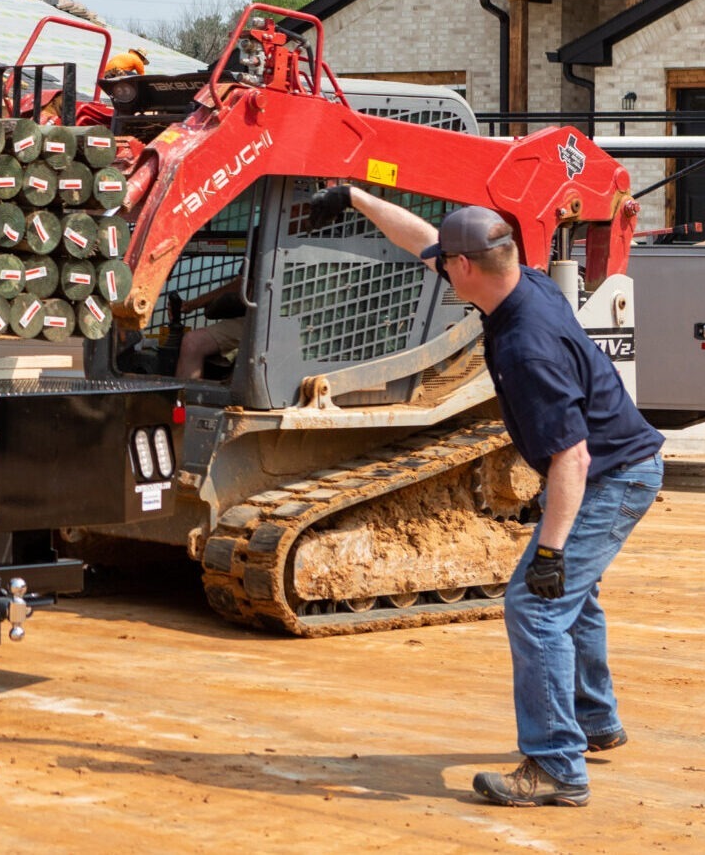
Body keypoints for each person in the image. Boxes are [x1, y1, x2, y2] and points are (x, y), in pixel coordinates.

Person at [310, 185, 665, 808]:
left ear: (466, 268)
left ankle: (556, 766)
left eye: (446, 262)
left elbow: (571, 457)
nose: (438, 266)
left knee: (536, 605)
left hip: (612, 475)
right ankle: (595, 721)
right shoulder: (521, 280)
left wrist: (550, 552)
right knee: (573, 603)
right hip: (620, 466)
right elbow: (417, 238)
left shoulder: (528, 344)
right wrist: (356, 197)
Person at [174, 277, 245, 380]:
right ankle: (184, 393)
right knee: (193, 342)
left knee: (193, 343)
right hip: (254, 318)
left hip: (267, 321)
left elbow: (241, 285)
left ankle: (185, 394)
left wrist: (194, 303)